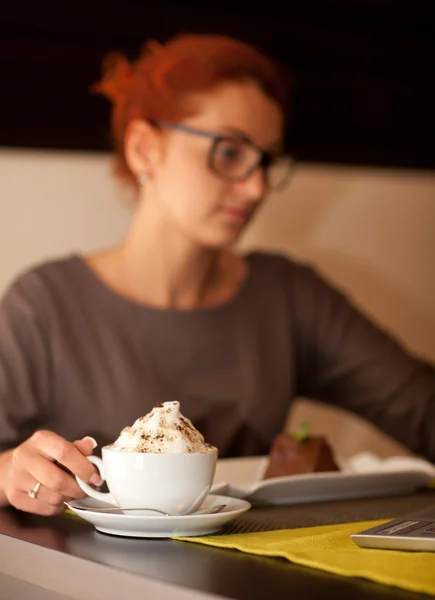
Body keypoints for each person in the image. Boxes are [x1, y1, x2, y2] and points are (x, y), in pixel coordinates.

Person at [0, 34, 434, 516]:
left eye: (266, 159)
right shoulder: (43, 305)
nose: (256, 187)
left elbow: (421, 408)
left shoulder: (288, 297)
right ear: (145, 148)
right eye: (229, 152)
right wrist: (10, 474)